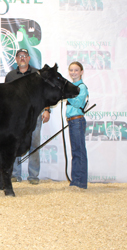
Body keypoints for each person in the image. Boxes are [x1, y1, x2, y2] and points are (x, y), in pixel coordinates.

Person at [4, 48, 50, 185]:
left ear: (29, 58)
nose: (22, 58)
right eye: (19, 56)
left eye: (25, 56)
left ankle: (33, 176)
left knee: (34, 143)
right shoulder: (10, 76)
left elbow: (45, 93)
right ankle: (15, 174)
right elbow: (6, 96)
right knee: (15, 143)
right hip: (16, 117)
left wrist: (47, 109)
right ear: (16, 60)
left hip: (34, 115)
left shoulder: (37, 74)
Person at [66, 61, 88, 189]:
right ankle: (76, 181)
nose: (73, 73)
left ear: (81, 72)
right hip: (72, 121)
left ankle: (80, 182)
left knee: (79, 151)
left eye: (76, 70)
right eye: (71, 70)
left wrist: (66, 94)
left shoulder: (82, 87)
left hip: (77, 120)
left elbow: (77, 102)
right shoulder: (73, 86)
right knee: (76, 151)